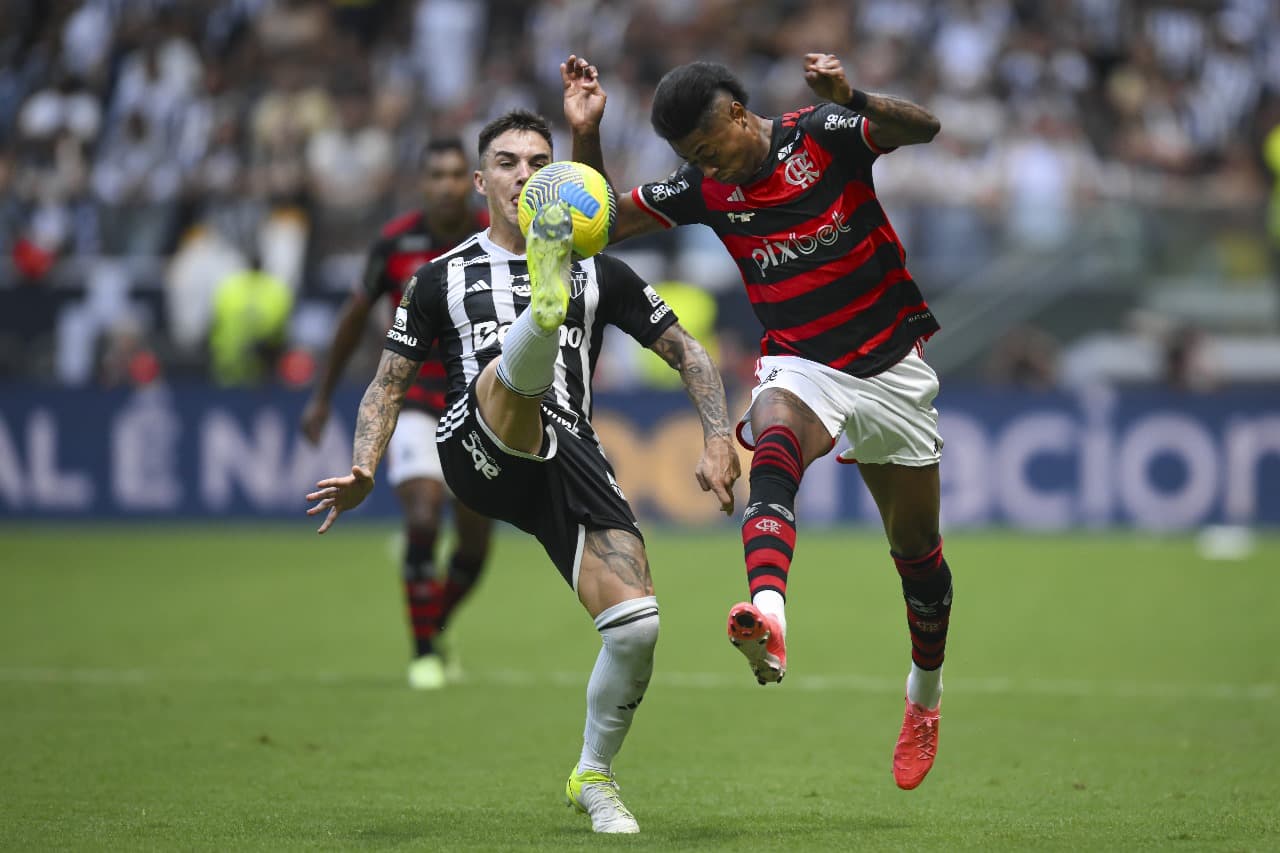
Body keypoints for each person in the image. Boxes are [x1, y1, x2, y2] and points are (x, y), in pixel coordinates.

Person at [305, 110, 740, 833]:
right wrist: (362, 466)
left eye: (540, 160)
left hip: (567, 455)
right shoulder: (439, 277)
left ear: (559, 176)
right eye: (507, 162)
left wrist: (720, 435)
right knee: (512, 385)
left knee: (636, 628)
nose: (524, 173)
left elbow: (691, 353)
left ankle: (594, 774)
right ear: (482, 182)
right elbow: (387, 384)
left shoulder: (604, 274)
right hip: (476, 438)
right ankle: (541, 315)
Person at [563, 52, 953, 791]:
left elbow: (925, 128)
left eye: (711, 148)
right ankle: (769, 615)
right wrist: (586, 134)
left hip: (891, 366)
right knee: (772, 438)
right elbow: (599, 224)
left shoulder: (822, 134)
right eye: (693, 159)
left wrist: (856, 97)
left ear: (740, 116)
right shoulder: (706, 187)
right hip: (801, 362)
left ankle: (924, 698)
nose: (709, 167)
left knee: (920, 558)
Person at [300, 138, 494, 691]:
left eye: (457, 174)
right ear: (422, 183)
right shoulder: (395, 243)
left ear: (472, 182)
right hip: (413, 401)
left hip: (478, 402)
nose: (447, 185)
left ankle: (436, 623)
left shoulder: (495, 236)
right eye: (436, 174)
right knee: (423, 518)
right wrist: (320, 395)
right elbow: (354, 318)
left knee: (476, 545)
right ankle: (424, 651)